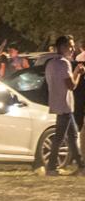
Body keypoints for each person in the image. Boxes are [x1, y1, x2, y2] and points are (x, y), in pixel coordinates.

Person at [44, 35, 83, 175]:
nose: (72, 49)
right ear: (62, 47)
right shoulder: (63, 63)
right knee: (60, 138)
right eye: (70, 46)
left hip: (59, 105)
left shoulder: (50, 63)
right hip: (64, 105)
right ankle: (51, 167)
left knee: (72, 136)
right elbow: (71, 85)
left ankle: (81, 167)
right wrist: (78, 72)